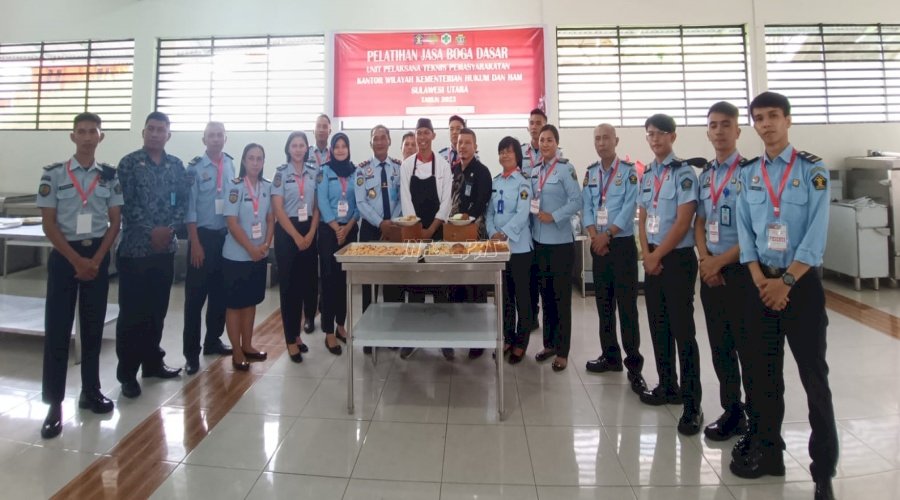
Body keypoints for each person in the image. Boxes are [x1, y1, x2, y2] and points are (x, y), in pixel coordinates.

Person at [734, 91, 837, 500]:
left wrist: (786, 282)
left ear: (788, 120)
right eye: (759, 118)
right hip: (761, 284)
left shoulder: (813, 170)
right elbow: (745, 229)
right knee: (762, 376)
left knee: (814, 379)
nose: (766, 124)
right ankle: (769, 452)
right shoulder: (749, 173)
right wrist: (760, 278)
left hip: (801, 285)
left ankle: (822, 471)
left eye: (773, 116)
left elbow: (816, 233)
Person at [37, 112, 122, 439]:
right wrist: (76, 259)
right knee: (58, 332)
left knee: (92, 329)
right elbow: (49, 223)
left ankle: (91, 391)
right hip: (65, 258)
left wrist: (96, 259)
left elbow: (115, 221)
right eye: (82, 132)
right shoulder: (54, 175)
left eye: (93, 132)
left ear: (101, 137)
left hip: (97, 257)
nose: (87, 137)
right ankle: (54, 405)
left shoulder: (109, 176)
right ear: (73, 137)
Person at [636, 113, 703, 436]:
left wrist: (657, 255)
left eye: (661, 134)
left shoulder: (684, 173)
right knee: (658, 326)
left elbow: (684, 220)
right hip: (652, 258)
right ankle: (667, 385)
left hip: (675, 260)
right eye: (650, 134)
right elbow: (643, 214)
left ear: (673, 137)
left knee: (683, 332)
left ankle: (693, 405)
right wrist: (646, 253)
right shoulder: (648, 174)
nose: (655, 139)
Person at [115, 111, 188, 399]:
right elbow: (124, 203)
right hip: (136, 249)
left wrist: (169, 229)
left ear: (169, 135)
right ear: (143, 132)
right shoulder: (129, 164)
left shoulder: (176, 166)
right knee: (133, 313)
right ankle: (127, 373)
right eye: (151, 129)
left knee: (157, 310)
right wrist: (150, 231)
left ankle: (152, 363)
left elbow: (183, 201)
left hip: (164, 249)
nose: (156, 134)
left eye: (161, 130)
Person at [694, 102, 751, 441]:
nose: (719, 131)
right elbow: (700, 221)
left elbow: (754, 230)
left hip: (741, 271)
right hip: (710, 269)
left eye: (725, 125)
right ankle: (732, 410)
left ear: (738, 130)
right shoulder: (708, 175)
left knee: (748, 347)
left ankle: (755, 418)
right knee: (720, 345)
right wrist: (705, 259)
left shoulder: (749, 172)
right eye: (713, 125)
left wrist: (720, 261)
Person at [582, 123, 647, 396]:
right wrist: (594, 235)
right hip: (599, 246)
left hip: (619, 246)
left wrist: (606, 235)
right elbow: (587, 207)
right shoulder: (590, 173)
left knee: (627, 308)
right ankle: (610, 357)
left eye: (606, 138)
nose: (601, 142)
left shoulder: (629, 173)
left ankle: (634, 366)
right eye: (597, 138)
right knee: (604, 305)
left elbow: (630, 206)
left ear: (615, 140)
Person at [182, 122, 234, 376]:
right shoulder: (194, 168)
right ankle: (191, 354)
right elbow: (189, 208)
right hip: (201, 238)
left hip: (225, 237)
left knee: (220, 295)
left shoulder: (232, 164)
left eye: (219, 135)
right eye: (211, 135)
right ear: (204, 139)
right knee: (195, 299)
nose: (215, 139)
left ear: (226, 138)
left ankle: (212, 340)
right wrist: (195, 243)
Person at [399, 118, 453, 360]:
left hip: (437, 231)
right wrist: (417, 229)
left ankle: (445, 341)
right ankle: (412, 339)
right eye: (418, 133)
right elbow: (405, 199)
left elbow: (447, 202)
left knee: (441, 285)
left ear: (433, 136)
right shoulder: (406, 165)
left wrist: (430, 230)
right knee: (415, 286)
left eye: (425, 133)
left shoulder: (442, 166)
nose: (421, 137)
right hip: (413, 232)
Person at [530, 124, 581, 372]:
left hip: (560, 244)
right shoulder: (534, 171)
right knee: (546, 297)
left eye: (549, 140)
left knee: (561, 300)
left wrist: (555, 215)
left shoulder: (565, 169)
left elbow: (577, 201)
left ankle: (563, 351)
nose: (545, 143)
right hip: (539, 243)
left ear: (556, 143)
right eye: (542, 140)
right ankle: (549, 344)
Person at [222, 143, 273, 371]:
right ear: (243, 161)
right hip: (236, 257)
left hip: (259, 255)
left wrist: (265, 245)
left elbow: (271, 219)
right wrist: (250, 249)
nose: (255, 162)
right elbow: (231, 223)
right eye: (251, 158)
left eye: (259, 158)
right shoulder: (235, 187)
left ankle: (248, 345)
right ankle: (236, 350)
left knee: (250, 302)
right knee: (235, 304)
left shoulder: (266, 187)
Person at [486, 137, 533, 364]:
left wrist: (504, 232)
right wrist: (492, 232)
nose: (504, 155)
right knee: (504, 298)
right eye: (501, 151)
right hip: (499, 248)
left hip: (520, 248)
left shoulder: (523, 181)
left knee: (522, 297)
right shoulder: (496, 182)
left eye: (509, 152)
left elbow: (523, 213)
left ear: (517, 156)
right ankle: (507, 337)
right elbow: (489, 212)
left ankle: (521, 343)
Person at [271, 131, 317, 363]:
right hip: (287, 234)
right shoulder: (280, 174)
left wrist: (309, 233)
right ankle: (290, 339)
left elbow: (317, 207)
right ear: (289, 149)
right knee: (288, 289)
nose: (298, 149)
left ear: (307, 148)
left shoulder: (313, 172)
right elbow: (278, 209)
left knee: (304, 285)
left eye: (302, 145)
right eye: (294, 145)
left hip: (308, 229)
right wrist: (296, 236)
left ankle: (298, 335)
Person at [317, 132, 360, 356]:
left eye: (344, 146)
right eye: (337, 146)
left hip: (350, 230)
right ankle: (328, 331)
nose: (341, 150)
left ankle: (341, 325)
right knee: (328, 279)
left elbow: (359, 202)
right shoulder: (324, 172)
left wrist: (349, 226)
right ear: (331, 150)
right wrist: (336, 228)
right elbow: (321, 201)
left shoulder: (356, 173)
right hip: (328, 231)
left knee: (344, 281)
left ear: (349, 149)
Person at [355, 125, 402, 320]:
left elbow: (402, 198)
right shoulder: (362, 169)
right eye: (376, 138)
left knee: (392, 281)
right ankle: (368, 330)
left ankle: (391, 330)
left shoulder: (399, 168)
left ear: (389, 141)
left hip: (394, 229)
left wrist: (391, 223)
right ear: (371, 143)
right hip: (370, 230)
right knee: (370, 283)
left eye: (383, 138)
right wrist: (380, 223)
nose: (380, 142)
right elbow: (360, 202)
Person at [521, 108, 560, 332]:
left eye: (539, 122)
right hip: (527, 222)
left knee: (547, 277)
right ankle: (532, 315)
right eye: (532, 123)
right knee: (530, 274)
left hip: (548, 224)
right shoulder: (521, 153)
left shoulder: (558, 155)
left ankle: (550, 321)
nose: (534, 126)